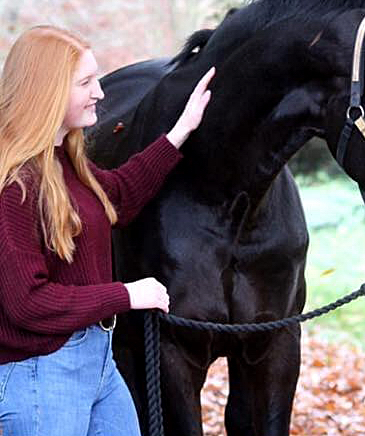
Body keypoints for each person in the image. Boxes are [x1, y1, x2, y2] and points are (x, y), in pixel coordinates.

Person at [0, 25, 214, 435]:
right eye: (86, 82)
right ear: (47, 92)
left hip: (96, 360)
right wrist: (127, 294)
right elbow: (26, 302)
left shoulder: (62, 162)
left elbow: (116, 195)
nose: (100, 92)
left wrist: (181, 130)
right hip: (41, 374)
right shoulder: (14, 184)